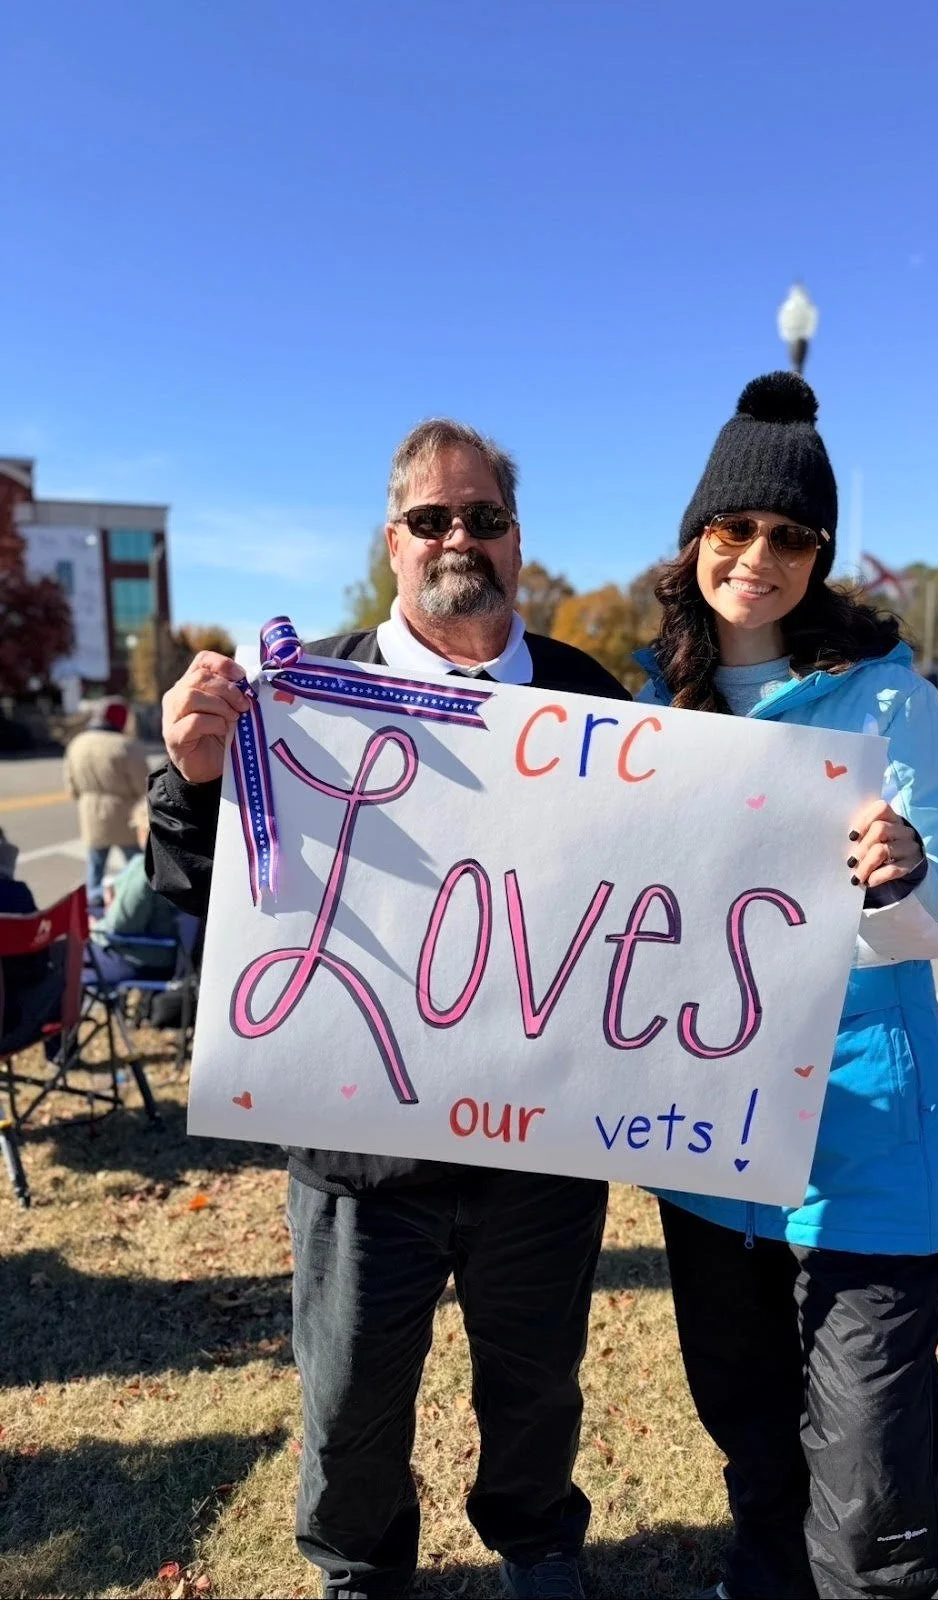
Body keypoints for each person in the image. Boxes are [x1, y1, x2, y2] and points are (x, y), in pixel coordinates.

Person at [146, 418, 629, 1600]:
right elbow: (204, 882)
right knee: (352, 1391)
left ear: (519, 541)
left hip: (542, 1144)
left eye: (483, 517)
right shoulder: (306, 692)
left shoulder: (592, 698)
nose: (458, 537)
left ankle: (538, 1542)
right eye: (432, 518)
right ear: (393, 543)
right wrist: (188, 778)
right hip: (362, 1146)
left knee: (537, 1378)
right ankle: (359, 1566)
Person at [635, 372, 938, 1600]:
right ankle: (763, 1573)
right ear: (698, 540)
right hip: (706, 1148)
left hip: (863, 1153)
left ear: (819, 553)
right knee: (748, 1426)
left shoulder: (891, 698)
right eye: (737, 529)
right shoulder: (650, 711)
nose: (761, 556)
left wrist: (901, 881)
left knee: (870, 1484)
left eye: (792, 535)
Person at [63, 697, 147, 910]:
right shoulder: (126, 746)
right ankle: (135, 901)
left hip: (90, 811)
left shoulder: (77, 743)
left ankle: (94, 903)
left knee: (95, 863)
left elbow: (70, 784)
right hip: (125, 813)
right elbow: (144, 785)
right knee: (135, 863)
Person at [86, 801, 180, 987]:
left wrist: (93, 927)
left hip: (145, 959)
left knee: (68, 958)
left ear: (145, 832)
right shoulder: (180, 862)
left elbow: (116, 928)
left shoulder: (146, 868)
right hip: (175, 952)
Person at [0, 828, 59, 1040]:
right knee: (64, 953)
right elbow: (39, 963)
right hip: (17, 1022)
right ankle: (60, 1053)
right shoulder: (18, 894)